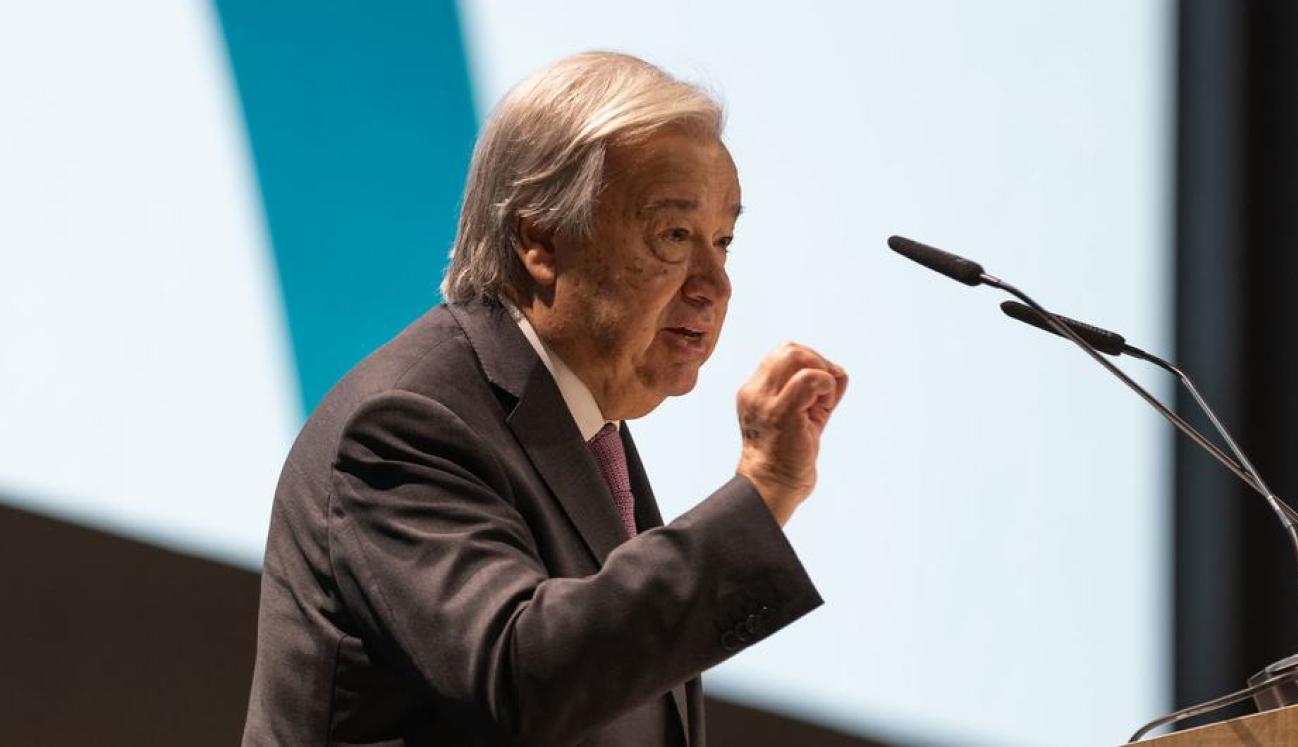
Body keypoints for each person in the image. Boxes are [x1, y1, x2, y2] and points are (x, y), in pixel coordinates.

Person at [242, 51, 848, 745]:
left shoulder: (589, 427)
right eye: (674, 235)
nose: (714, 284)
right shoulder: (408, 421)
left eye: (723, 241)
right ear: (539, 239)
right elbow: (521, 673)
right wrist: (763, 491)